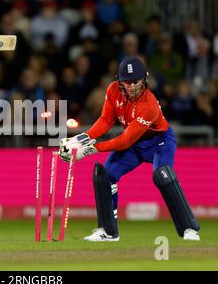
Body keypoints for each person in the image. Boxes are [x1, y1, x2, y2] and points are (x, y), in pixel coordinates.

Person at [59, 57, 200, 242]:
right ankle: (108, 232)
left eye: (136, 82)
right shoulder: (113, 90)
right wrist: (81, 139)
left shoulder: (149, 105)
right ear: (119, 81)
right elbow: (106, 121)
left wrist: (91, 149)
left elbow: (125, 141)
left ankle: (189, 228)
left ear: (145, 79)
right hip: (135, 144)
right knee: (105, 175)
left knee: (163, 175)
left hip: (159, 141)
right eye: (127, 82)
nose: (132, 86)